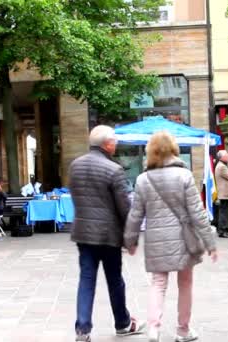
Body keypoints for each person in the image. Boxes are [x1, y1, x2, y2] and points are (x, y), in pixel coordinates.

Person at [124, 131, 218, 342]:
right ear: (174, 150)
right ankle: (183, 330)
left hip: (156, 239)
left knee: (158, 283)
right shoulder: (184, 176)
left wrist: (130, 240)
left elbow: (135, 214)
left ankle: (153, 329)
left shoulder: (142, 179)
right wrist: (210, 243)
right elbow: (197, 213)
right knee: (185, 283)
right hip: (184, 239)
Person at [68, 125, 145, 342]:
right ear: (107, 144)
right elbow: (124, 207)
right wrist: (131, 238)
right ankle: (122, 323)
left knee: (86, 279)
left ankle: (82, 329)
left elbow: (76, 196)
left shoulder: (75, 165)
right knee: (115, 280)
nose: (117, 144)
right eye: (115, 141)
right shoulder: (114, 169)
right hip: (109, 235)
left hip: (84, 233)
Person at [214, 150, 228, 238]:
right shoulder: (222, 167)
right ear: (221, 157)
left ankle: (222, 230)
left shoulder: (221, 165)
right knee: (224, 213)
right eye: (227, 155)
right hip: (225, 194)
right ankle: (222, 231)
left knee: (223, 212)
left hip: (224, 193)